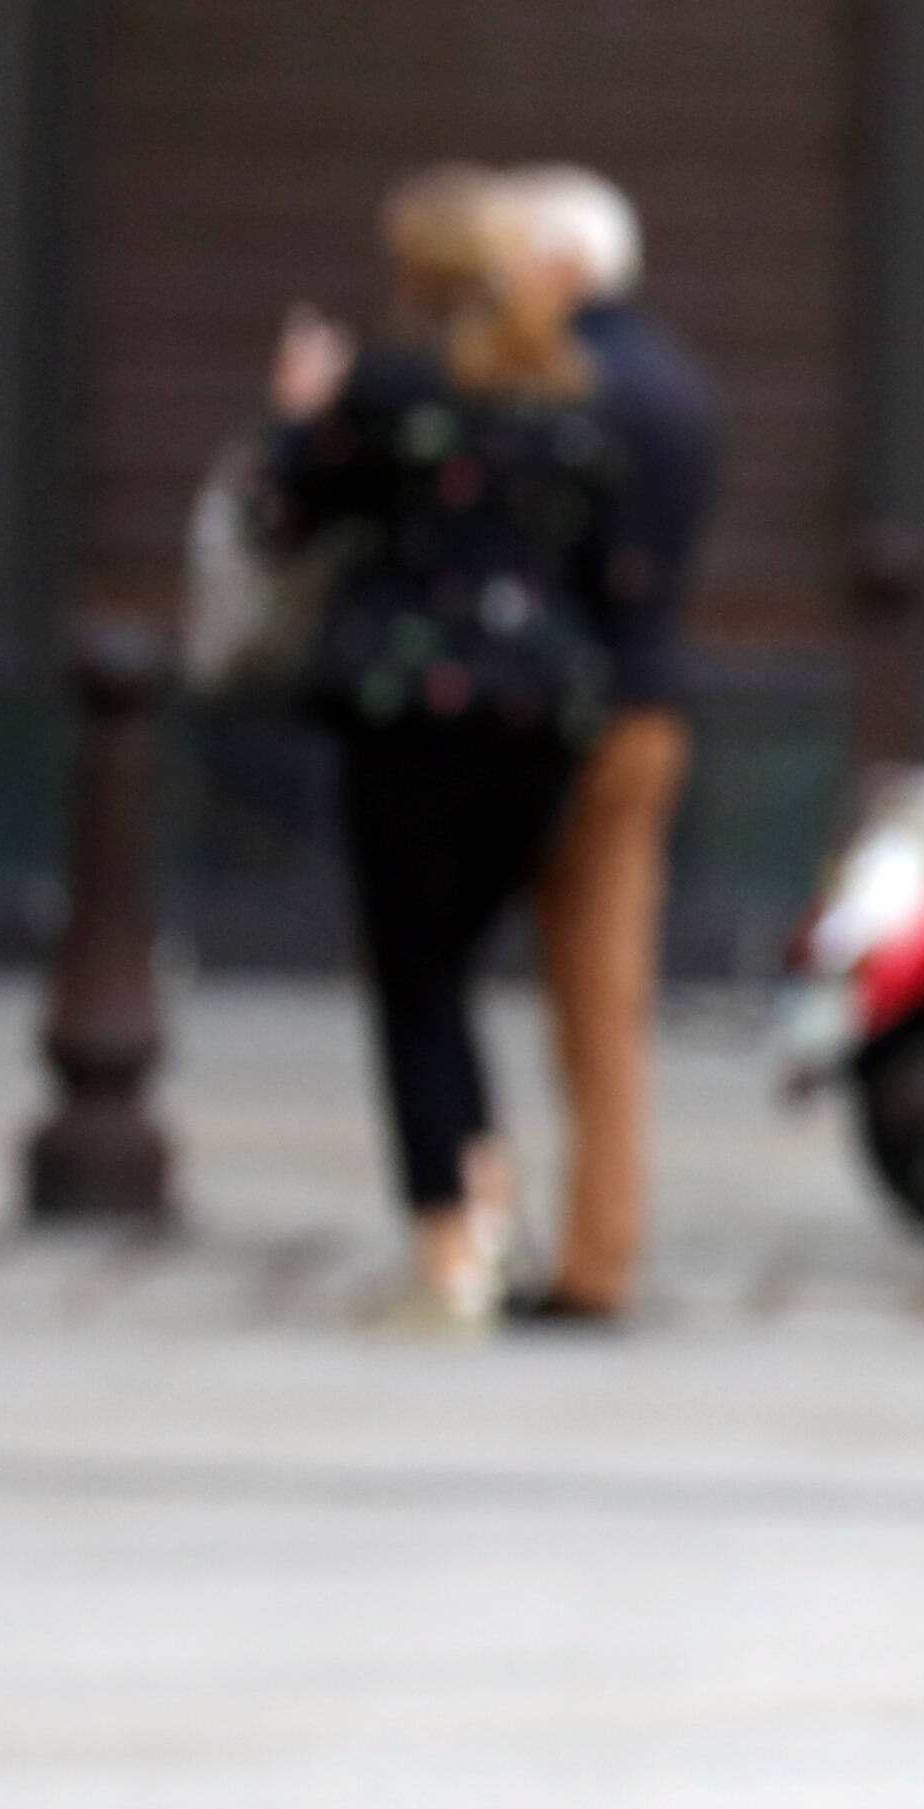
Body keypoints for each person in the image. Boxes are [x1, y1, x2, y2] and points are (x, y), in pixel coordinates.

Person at [266, 167, 622, 1330]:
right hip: (542, 713)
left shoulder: (389, 389)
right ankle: (489, 1204)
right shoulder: (567, 397)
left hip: (413, 706)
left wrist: (299, 414)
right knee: (453, 971)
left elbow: (291, 515)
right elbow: (610, 563)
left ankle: (450, 1242)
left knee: (415, 977)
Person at [500, 166, 719, 1325]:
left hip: (572, 710)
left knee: (583, 989)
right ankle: (598, 1243)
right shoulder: (674, 378)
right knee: (608, 991)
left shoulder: (571, 385)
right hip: (649, 694)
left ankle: (566, 1250)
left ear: (569, 266)